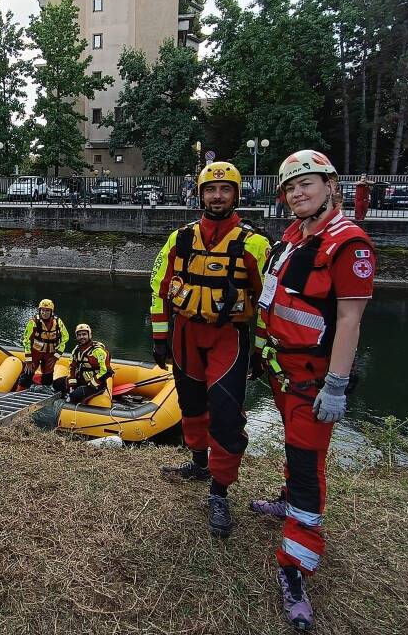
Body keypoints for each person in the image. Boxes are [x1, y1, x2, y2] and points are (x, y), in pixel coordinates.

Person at [252, 149, 375, 631]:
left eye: (307, 184)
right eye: (290, 188)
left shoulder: (348, 244)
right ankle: (287, 500)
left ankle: (296, 566)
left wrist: (337, 386)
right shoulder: (292, 240)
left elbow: (350, 319)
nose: (298, 193)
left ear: (330, 186)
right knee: (295, 452)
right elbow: (276, 304)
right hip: (283, 373)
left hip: (313, 380)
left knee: (308, 467)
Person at [150, 161, 270, 538]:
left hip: (227, 338)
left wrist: (262, 349)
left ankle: (219, 491)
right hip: (185, 334)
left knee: (226, 417)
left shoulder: (255, 244)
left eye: (225, 190)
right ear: (199, 194)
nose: (217, 196)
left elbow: (269, 302)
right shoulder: (179, 238)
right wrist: (158, 336)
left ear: (236, 194)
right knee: (191, 407)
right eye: (210, 190)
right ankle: (199, 464)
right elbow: (159, 287)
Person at [16, 298, 69, 390]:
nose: (44, 313)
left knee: (48, 377)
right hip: (35, 352)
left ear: (51, 312)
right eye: (43, 310)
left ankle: (43, 390)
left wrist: (57, 355)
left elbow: (65, 338)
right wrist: (28, 359)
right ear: (39, 311)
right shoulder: (33, 322)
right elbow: (26, 340)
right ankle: (18, 391)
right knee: (27, 374)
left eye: (47, 311)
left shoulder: (58, 322)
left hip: (50, 354)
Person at [52, 323, 113, 404]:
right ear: (77, 337)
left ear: (89, 335)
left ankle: (70, 403)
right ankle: (64, 396)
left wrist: (92, 383)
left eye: (84, 334)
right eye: (79, 335)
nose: (82, 337)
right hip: (81, 379)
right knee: (57, 384)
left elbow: (106, 371)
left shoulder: (98, 351)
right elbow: (72, 368)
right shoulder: (76, 350)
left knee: (75, 395)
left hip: (96, 384)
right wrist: (72, 384)